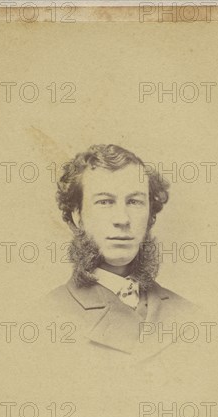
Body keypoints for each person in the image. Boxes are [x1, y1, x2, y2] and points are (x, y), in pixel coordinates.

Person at [44, 144, 194, 363]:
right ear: (78, 215)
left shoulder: (192, 316)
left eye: (134, 202)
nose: (122, 219)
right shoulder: (45, 318)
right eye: (105, 202)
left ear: (150, 214)